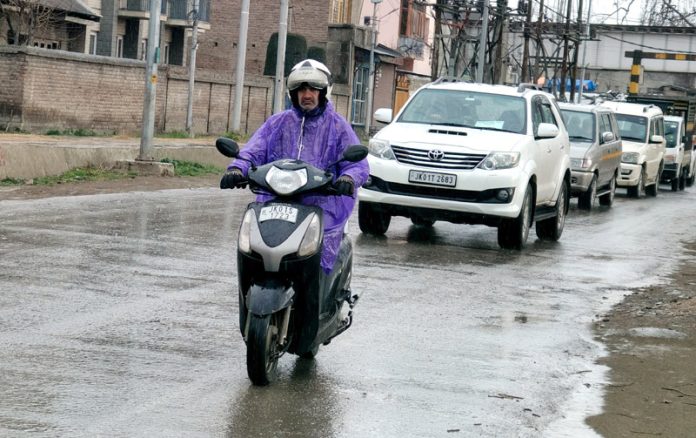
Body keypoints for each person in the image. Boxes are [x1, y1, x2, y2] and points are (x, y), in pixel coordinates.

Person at [220, 59, 370, 273]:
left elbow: (357, 163)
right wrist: (237, 168)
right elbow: (253, 150)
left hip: (322, 205)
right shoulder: (277, 123)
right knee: (252, 251)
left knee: (316, 260)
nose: (306, 94)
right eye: (300, 89)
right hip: (276, 203)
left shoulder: (337, 126)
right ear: (293, 93)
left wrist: (348, 178)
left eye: (312, 89)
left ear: (323, 92)